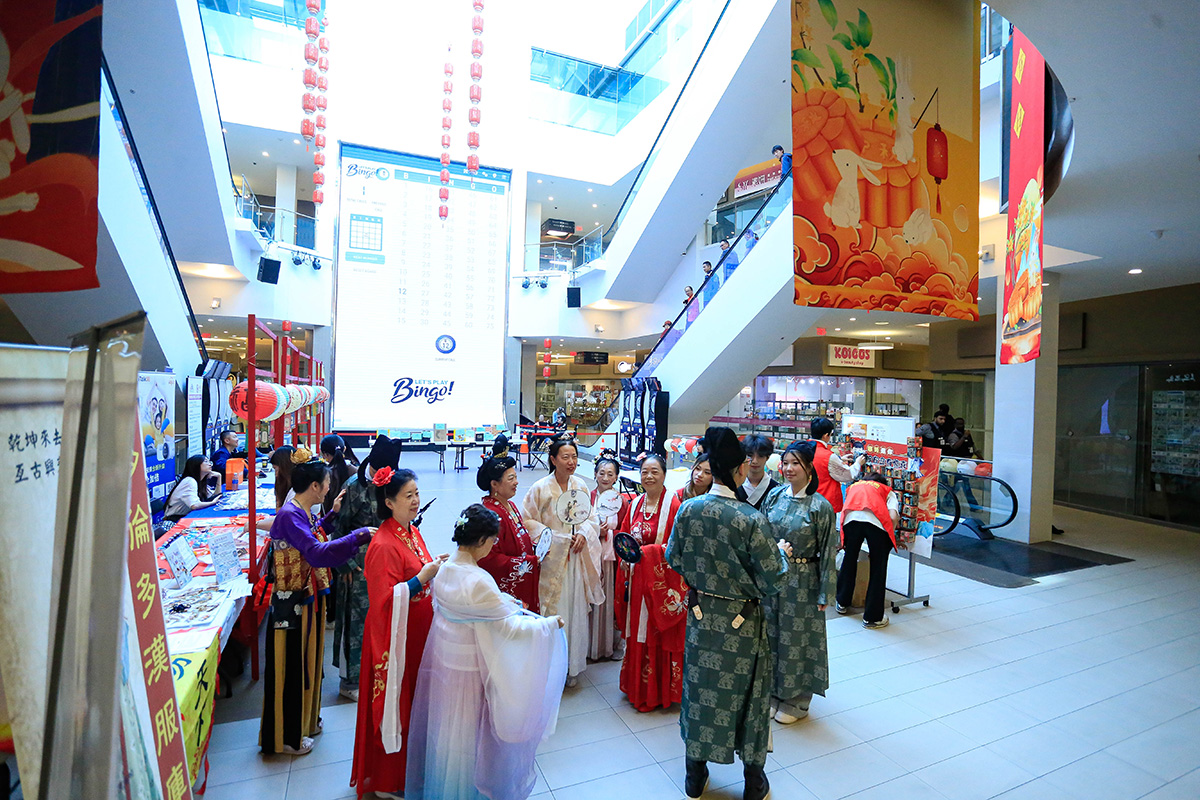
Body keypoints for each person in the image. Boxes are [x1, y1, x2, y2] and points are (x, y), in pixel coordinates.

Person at [404, 505, 567, 800]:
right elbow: (508, 628)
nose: (493, 545)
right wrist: (547, 625)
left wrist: (504, 603)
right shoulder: (478, 580)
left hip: (445, 662)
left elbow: (477, 608)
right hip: (470, 669)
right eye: (492, 540)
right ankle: (468, 790)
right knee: (470, 733)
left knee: (449, 730)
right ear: (481, 541)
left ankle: (446, 786)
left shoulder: (444, 568)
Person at [665, 427, 789, 800]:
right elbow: (774, 578)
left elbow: (673, 557)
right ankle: (753, 781)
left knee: (700, 690)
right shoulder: (750, 518)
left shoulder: (689, 509)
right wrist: (782, 554)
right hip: (743, 622)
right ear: (738, 469)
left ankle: (694, 775)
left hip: (701, 615)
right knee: (750, 695)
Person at [260, 448, 376, 756]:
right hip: (292, 604)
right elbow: (314, 552)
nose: (328, 487)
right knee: (293, 667)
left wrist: (332, 515)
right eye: (326, 483)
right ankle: (286, 737)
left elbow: (311, 535)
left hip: (307, 597)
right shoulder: (290, 515)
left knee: (309, 664)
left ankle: (305, 722)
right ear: (314, 486)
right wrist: (358, 536)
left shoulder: (301, 511)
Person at [351, 467, 448, 799]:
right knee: (396, 703)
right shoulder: (383, 543)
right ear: (389, 502)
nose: (416, 500)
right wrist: (422, 578)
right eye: (408, 495)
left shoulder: (410, 532)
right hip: (394, 637)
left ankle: (409, 769)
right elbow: (384, 599)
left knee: (414, 701)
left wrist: (432, 569)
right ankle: (387, 780)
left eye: (417, 493)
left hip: (416, 631)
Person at [760, 442, 838, 724]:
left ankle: (797, 700)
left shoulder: (820, 506)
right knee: (770, 635)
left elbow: (829, 550)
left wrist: (826, 592)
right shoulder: (774, 496)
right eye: (785, 463)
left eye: (795, 463)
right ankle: (772, 692)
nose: (789, 468)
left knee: (798, 639)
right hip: (773, 577)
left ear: (809, 468)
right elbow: (761, 534)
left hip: (804, 581)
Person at [520, 436, 603, 687]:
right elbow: (527, 521)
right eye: (565, 457)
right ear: (553, 459)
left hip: (576, 558)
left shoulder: (580, 485)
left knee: (575, 609)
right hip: (552, 560)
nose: (571, 462)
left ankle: (572, 665)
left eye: (574, 457)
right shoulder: (540, 488)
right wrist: (555, 538)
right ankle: (550, 667)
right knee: (555, 610)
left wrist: (583, 534)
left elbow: (591, 517)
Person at [334, 435, 404, 702]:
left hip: (387, 564)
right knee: (356, 625)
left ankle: (379, 673)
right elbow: (338, 530)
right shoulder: (354, 487)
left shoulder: (393, 485)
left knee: (383, 620)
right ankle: (350, 681)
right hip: (358, 568)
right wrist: (347, 566)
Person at [616, 454, 684, 712]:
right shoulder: (635, 504)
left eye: (655, 471)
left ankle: (659, 692)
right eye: (644, 471)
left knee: (656, 630)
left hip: (661, 583)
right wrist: (625, 558)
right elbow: (624, 538)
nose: (649, 476)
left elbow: (679, 547)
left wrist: (649, 553)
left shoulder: (674, 505)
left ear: (664, 475)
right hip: (636, 581)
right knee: (637, 629)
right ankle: (638, 687)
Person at [835, 472, 900, 629]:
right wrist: (886, 541)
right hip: (876, 524)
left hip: (850, 521)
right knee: (878, 568)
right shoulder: (887, 491)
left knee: (849, 559)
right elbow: (892, 517)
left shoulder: (854, 486)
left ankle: (842, 601)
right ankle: (872, 618)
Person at [477, 455, 540, 612]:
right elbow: (489, 559)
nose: (516, 482)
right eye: (511, 478)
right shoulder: (491, 514)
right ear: (494, 484)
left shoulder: (510, 505)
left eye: (516, 477)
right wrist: (527, 562)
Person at [589, 456, 628, 660]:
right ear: (595, 474)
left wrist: (609, 534)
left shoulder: (623, 502)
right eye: (601, 473)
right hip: (592, 556)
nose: (605, 477)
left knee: (613, 598)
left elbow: (626, 530)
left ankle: (612, 643)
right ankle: (590, 644)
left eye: (610, 474)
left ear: (616, 477)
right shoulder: (587, 497)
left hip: (613, 559)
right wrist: (595, 531)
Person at [810, 417, 863, 513]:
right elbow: (848, 475)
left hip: (807, 500)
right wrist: (858, 463)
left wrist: (839, 460)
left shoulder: (802, 449)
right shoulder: (828, 456)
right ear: (826, 435)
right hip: (825, 502)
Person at [164, 455, 221, 519]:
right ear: (196, 465)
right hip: (175, 519)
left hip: (186, 516)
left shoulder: (200, 481)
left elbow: (215, 496)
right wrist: (212, 503)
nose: (210, 464)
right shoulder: (189, 481)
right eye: (206, 461)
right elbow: (194, 505)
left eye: (209, 462)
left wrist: (219, 477)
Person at [741, 433, 780, 510]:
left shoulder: (776, 489)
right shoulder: (735, 486)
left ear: (767, 457)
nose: (755, 461)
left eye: (760, 456)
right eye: (750, 455)